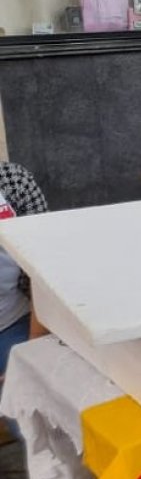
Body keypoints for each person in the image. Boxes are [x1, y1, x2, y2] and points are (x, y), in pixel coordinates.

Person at [0, 162, 49, 389]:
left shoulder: (13, 181)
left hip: (14, 322)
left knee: (32, 407)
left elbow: (44, 265)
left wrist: (34, 350)